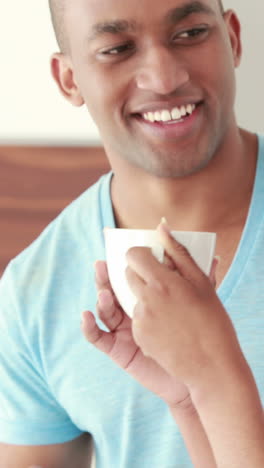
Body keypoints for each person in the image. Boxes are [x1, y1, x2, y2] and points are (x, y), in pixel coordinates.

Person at [1, 0, 264, 466]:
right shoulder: (31, 294)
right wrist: (189, 399)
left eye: (190, 34)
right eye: (118, 48)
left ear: (234, 40)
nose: (164, 79)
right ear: (69, 79)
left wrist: (215, 377)